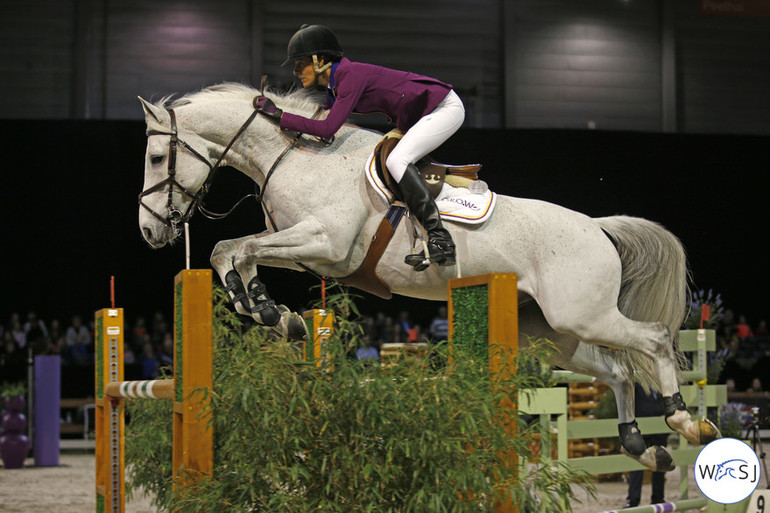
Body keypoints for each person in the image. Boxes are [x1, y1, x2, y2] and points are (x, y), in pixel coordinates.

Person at [258, 24, 465, 270]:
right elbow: (320, 124)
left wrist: (280, 116)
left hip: (443, 107)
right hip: (420, 114)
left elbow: (326, 129)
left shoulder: (349, 76)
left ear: (320, 59)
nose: (295, 70)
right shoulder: (333, 87)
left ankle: (441, 238)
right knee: (394, 159)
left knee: (397, 161)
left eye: (300, 63)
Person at [625, 383, 668, 508]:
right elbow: (630, 404)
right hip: (641, 428)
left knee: (660, 463)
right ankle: (633, 500)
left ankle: (658, 498)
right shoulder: (637, 381)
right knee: (637, 464)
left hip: (660, 428)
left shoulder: (661, 380)